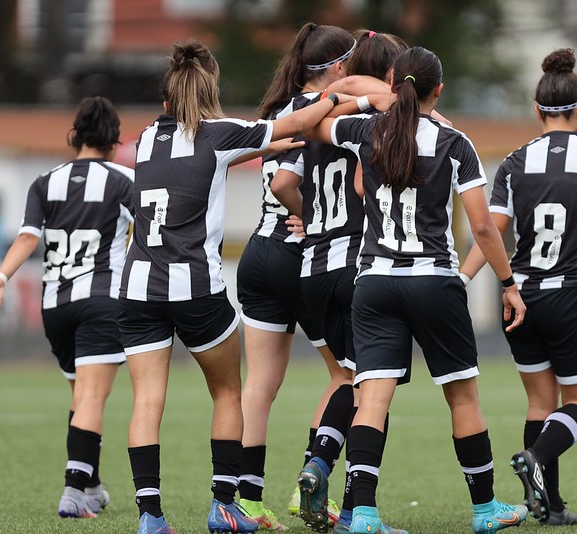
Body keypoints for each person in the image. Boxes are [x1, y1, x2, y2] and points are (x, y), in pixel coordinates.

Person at [117, 39, 346, 534]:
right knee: (226, 391)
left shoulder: (144, 140)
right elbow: (292, 123)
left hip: (137, 286)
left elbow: (200, 157)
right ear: (210, 92)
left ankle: (150, 517)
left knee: (147, 400)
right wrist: (343, 93)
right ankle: (224, 505)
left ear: (165, 100)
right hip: (196, 288)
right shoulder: (218, 132)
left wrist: (263, 143)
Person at [303, 46, 529, 534]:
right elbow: (484, 229)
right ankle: (486, 510)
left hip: (376, 282)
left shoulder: (368, 129)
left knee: (374, 397)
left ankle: (363, 514)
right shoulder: (455, 142)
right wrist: (508, 284)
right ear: (439, 91)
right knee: (462, 398)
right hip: (433, 281)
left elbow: (315, 125)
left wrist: (363, 100)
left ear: (391, 82)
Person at [459, 48, 577, 526]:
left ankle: (550, 505)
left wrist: (463, 277)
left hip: (518, 297)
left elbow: (492, 229)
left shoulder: (516, 161)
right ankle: (537, 461)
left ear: (537, 110)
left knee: (540, 403)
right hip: (569, 295)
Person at [235, 22, 374, 531]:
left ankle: (246, 498)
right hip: (301, 256)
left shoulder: (277, 107)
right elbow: (286, 181)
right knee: (349, 375)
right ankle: (305, 484)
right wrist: (313, 216)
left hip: (257, 255)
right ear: (339, 66)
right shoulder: (328, 107)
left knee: (259, 387)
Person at [270, 29, 408, 534]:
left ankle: (317, 467)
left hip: (312, 264)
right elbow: (360, 184)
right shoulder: (372, 116)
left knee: (347, 379)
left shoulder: (318, 114)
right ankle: (349, 504)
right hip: (354, 261)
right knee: (373, 388)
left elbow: (284, 179)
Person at [0, 96, 134, 519]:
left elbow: (28, 237)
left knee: (80, 398)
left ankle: (93, 483)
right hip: (101, 300)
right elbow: (154, 233)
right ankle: (72, 492)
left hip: (56, 305)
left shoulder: (45, 181)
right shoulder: (124, 179)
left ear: (76, 137)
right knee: (92, 398)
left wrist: (0, 277)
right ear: (115, 141)